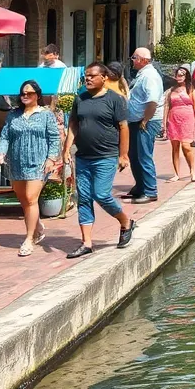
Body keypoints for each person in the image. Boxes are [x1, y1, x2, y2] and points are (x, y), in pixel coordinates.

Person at [64, 63, 135, 258]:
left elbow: (124, 128)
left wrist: (123, 155)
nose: (88, 79)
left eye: (92, 76)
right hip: (84, 157)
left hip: (106, 156)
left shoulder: (115, 99)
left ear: (104, 78)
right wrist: (66, 150)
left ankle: (126, 222)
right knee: (84, 198)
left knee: (101, 194)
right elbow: (73, 124)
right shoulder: (80, 98)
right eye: (86, 76)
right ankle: (86, 243)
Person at [0, 80, 60, 257]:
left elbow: (54, 139)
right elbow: (5, 137)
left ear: (37, 95)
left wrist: (51, 159)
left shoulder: (46, 115)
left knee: (31, 198)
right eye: (23, 93)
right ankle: (37, 225)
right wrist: (0, 154)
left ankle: (29, 238)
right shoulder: (13, 115)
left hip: (38, 163)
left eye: (29, 93)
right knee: (23, 199)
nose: (25, 96)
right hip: (16, 163)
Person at [125, 47, 163, 205]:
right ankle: (140, 186)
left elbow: (152, 101)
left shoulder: (150, 76)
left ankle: (150, 190)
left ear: (143, 60)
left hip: (146, 122)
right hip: (136, 120)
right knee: (134, 155)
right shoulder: (142, 74)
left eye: (134, 57)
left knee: (143, 156)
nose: (131, 60)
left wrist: (145, 120)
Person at [163, 67, 195, 182]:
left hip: (187, 120)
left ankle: (192, 171)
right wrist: (164, 123)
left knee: (186, 146)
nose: (179, 77)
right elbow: (167, 107)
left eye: (182, 75)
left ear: (186, 77)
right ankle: (176, 173)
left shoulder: (191, 90)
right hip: (174, 119)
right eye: (178, 75)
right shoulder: (171, 91)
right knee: (175, 147)